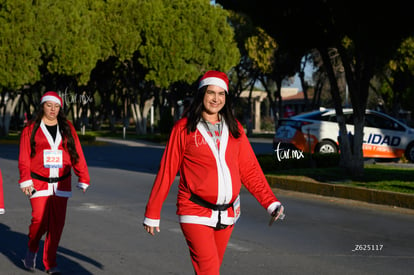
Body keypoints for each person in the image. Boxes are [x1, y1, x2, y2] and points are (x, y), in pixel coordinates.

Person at [143, 70, 285, 275]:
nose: (216, 98)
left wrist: (270, 202)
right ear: (202, 94)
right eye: (211, 93)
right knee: (209, 270)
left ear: (226, 98)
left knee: (210, 269)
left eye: (221, 94)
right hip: (194, 210)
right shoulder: (183, 128)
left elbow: (249, 169)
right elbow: (167, 169)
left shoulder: (235, 129)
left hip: (228, 213)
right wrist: (152, 211)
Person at [18, 91, 90, 274]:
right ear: (42, 106)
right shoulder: (31, 128)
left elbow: (77, 153)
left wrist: (83, 176)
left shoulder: (68, 128)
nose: (53, 109)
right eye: (49, 105)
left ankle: (50, 263)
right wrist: (25, 179)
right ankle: (32, 249)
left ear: (60, 108)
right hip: (38, 183)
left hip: (61, 184)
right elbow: (24, 157)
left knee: (57, 225)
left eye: (56, 106)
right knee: (39, 221)